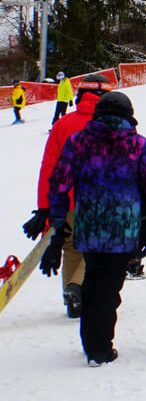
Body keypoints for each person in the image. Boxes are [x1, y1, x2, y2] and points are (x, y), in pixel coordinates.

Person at [44, 91, 146, 365]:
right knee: (109, 288)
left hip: (88, 228)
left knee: (92, 280)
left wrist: (57, 224)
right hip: (123, 232)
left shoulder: (78, 143)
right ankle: (100, 349)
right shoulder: (138, 145)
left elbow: (59, 184)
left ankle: (91, 342)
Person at [23, 74, 114, 317]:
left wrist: (44, 207)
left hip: (68, 201)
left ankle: (73, 300)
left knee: (72, 247)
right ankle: (78, 286)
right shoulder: (112, 124)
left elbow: (48, 167)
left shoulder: (62, 124)